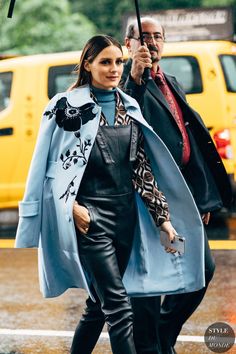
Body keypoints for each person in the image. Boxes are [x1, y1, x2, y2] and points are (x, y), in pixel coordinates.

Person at [15, 35, 206, 354]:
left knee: (96, 305)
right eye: (105, 62)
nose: (114, 68)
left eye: (119, 61)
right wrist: (71, 208)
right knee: (119, 309)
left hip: (126, 220)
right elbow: (46, 169)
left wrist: (163, 220)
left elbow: (141, 168)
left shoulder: (129, 106)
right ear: (87, 65)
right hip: (91, 221)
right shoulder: (64, 107)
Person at [121, 17, 232, 354]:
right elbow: (125, 127)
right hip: (147, 198)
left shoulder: (171, 81)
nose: (151, 42)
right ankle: (151, 344)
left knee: (201, 269)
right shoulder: (124, 83)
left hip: (182, 196)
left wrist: (201, 198)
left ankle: (161, 334)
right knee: (150, 285)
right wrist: (136, 80)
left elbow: (190, 144)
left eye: (157, 36)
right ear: (129, 44)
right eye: (143, 37)